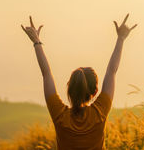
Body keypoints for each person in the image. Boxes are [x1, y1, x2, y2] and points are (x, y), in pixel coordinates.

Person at [21, 14, 137, 150]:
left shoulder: (60, 115)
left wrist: (36, 41)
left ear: (69, 88)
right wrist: (121, 39)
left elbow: (46, 74)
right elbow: (112, 71)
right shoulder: (99, 112)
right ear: (94, 92)